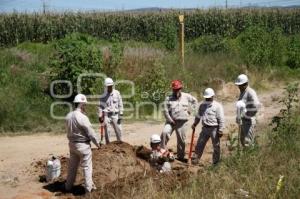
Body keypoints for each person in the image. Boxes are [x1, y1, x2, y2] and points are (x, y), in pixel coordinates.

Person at [65, 94, 100, 193]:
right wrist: (98, 144)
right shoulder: (82, 117)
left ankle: (68, 187)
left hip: (72, 145)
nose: (85, 107)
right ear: (81, 104)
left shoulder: (68, 116)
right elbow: (91, 133)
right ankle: (88, 189)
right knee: (87, 167)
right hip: (83, 146)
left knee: (72, 167)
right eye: (85, 105)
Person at [161, 80, 198, 162]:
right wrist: (170, 120)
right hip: (171, 121)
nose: (177, 91)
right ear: (172, 90)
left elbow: (195, 101)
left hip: (182, 122)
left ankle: (180, 157)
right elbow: (165, 111)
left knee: (181, 140)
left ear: (181, 88)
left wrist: (190, 110)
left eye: (178, 89)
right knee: (164, 133)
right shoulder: (168, 98)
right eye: (175, 89)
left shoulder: (186, 96)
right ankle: (162, 152)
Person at [191, 88, 225, 165]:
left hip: (214, 129)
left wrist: (220, 130)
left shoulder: (217, 106)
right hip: (205, 128)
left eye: (209, 97)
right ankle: (195, 160)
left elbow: (221, 118)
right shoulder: (202, 105)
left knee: (216, 146)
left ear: (213, 96)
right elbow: (198, 116)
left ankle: (215, 162)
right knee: (199, 144)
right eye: (206, 97)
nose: (208, 99)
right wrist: (195, 124)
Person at [235, 74, 260, 147]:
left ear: (245, 84)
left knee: (248, 143)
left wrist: (248, 114)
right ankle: (246, 157)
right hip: (243, 122)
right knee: (243, 141)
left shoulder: (250, 92)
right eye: (238, 85)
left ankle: (251, 158)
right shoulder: (243, 92)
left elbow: (256, 106)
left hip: (248, 122)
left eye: (240, 85)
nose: (239, 87)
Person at [98, 77, 124, 144]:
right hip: (106, 115)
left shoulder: (117, 93)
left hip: (115, 114)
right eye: (108, 86)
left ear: (112, 85)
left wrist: (121, 114)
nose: (109, 87)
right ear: (105, 86)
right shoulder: (103, 96)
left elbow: (120, 104)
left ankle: (120, 143)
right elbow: (100, 106)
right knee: (107, 131)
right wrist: (100, 116)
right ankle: (108, 145)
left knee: (119, 130)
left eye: (110, 86)